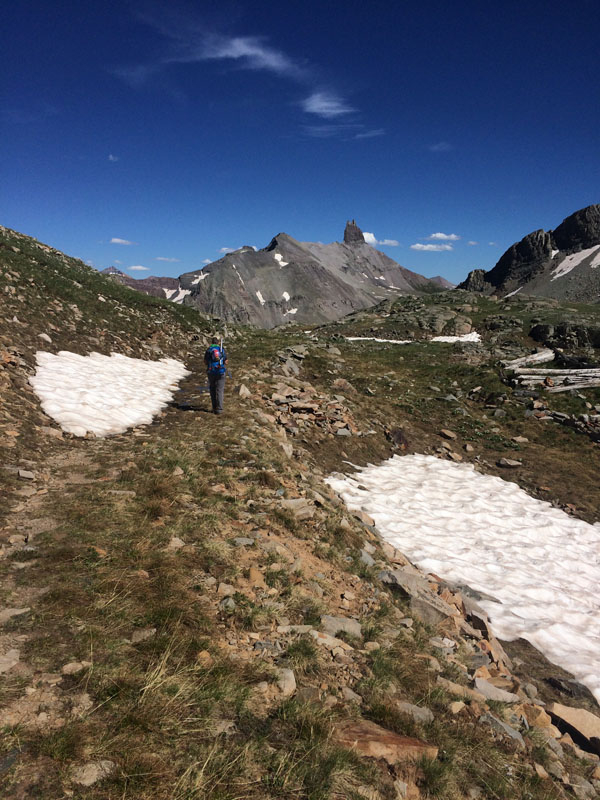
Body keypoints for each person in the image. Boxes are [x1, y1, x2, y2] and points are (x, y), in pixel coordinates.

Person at [204, 337, 228, 415]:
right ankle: (220, 409)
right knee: (220, 390)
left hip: (211, 372)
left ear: (212, 342)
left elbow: (205, 361)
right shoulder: (221, 350)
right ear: (218, 342)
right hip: (220, 372)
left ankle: (214, 408)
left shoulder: (209, 350)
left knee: (212, 389)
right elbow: (226, 361)